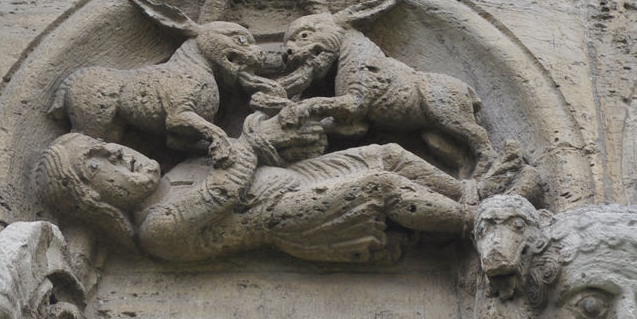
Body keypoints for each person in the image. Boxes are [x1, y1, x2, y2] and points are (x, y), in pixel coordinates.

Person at [39, 105, 515, 264]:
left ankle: (471, 191)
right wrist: (244, 141)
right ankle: (478, 221)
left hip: (291, 180)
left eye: (103, 146)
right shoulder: (157, 229)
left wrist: (266, 136)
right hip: (284, 215)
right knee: (380, 185)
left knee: (385, 154)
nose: (116, 152)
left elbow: (239, 160)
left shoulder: (173, 173)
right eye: (98, 164)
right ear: (96, 200)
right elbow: (227, 189)